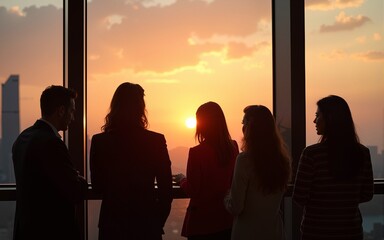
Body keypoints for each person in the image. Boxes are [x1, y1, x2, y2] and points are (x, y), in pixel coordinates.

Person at [90, 82, 173, 240]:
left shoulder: (100, 142)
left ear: (114, 107)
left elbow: (97, 186)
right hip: (146, 225)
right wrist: (156, 222)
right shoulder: (155, 141)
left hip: (112, 224)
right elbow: (166, 190)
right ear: (141, 108)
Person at [292, 95, 374, 240]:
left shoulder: (311, 154)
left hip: (317, 232)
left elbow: (299, 196)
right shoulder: (362, 153)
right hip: (351, 232)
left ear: (329, 119)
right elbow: (367, 194)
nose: (314, 121)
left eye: (317, 116)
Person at [12, 85, 88, 240]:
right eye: (72, 111)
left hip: (25, 231)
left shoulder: (22, 138)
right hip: (51, 231)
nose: (73, 117)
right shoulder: (52, 144)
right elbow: (75, 191)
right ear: (61, 111)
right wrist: (79, 178)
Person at [224, 105, 291, 240]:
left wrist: (226, 198)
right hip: (275, 232)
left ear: (249, 127)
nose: (242, 128)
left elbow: (236, 206)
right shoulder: (283, 161)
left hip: (247, 233)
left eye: (244, 123)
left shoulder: (244, 160)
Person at [173, 101, 239, 240]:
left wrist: (182, 179)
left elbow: (192, 189)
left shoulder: (197, 153)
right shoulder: (233, 148)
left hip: (201, 223)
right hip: (225, 220)